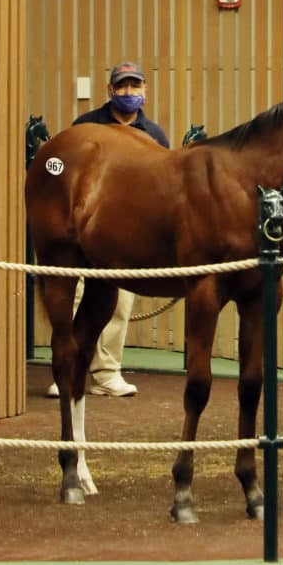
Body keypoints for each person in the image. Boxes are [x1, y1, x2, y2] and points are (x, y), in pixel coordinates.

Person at [47, 61, 170, 399]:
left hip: (127, 236)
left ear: (145, 89)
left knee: (119, 305)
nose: (128, 93)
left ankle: (107, 372)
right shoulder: (85, 125)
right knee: (72, 298)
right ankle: (66, 371)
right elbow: (56, 164)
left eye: (134, 86)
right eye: (122, 87)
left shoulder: (155, 135)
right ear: (110, 91)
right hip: (81, 233)